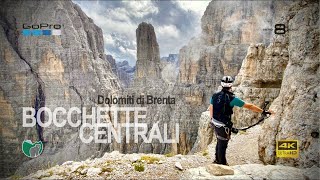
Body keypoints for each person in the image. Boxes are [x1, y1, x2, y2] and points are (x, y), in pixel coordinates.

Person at [209, 76, 273, 165]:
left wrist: (212, 120)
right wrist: (263, 111)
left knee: (219, 140)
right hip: (224, 125)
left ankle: (217, 159)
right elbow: (249, 106)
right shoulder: (232, 98)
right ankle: (222, 163)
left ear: (222, 84)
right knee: (223, 144)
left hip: (215, 122)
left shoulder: (214, 95)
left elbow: (211, 108)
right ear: (231, 85)